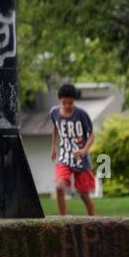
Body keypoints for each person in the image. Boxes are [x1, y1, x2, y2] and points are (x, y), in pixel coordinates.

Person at [51, 82, 96, 216]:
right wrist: (53, 147)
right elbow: (55, 127)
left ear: (74, 101)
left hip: (81, 158)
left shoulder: (81, 114)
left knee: (84, 194)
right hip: (64, 156)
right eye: (64, 103)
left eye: (70, 103)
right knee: (59, 187)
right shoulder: (54, 112)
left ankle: (93, 221)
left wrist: (85, 150)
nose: (67, 106)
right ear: (59, 100)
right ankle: (63, 221)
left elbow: (92, 134)